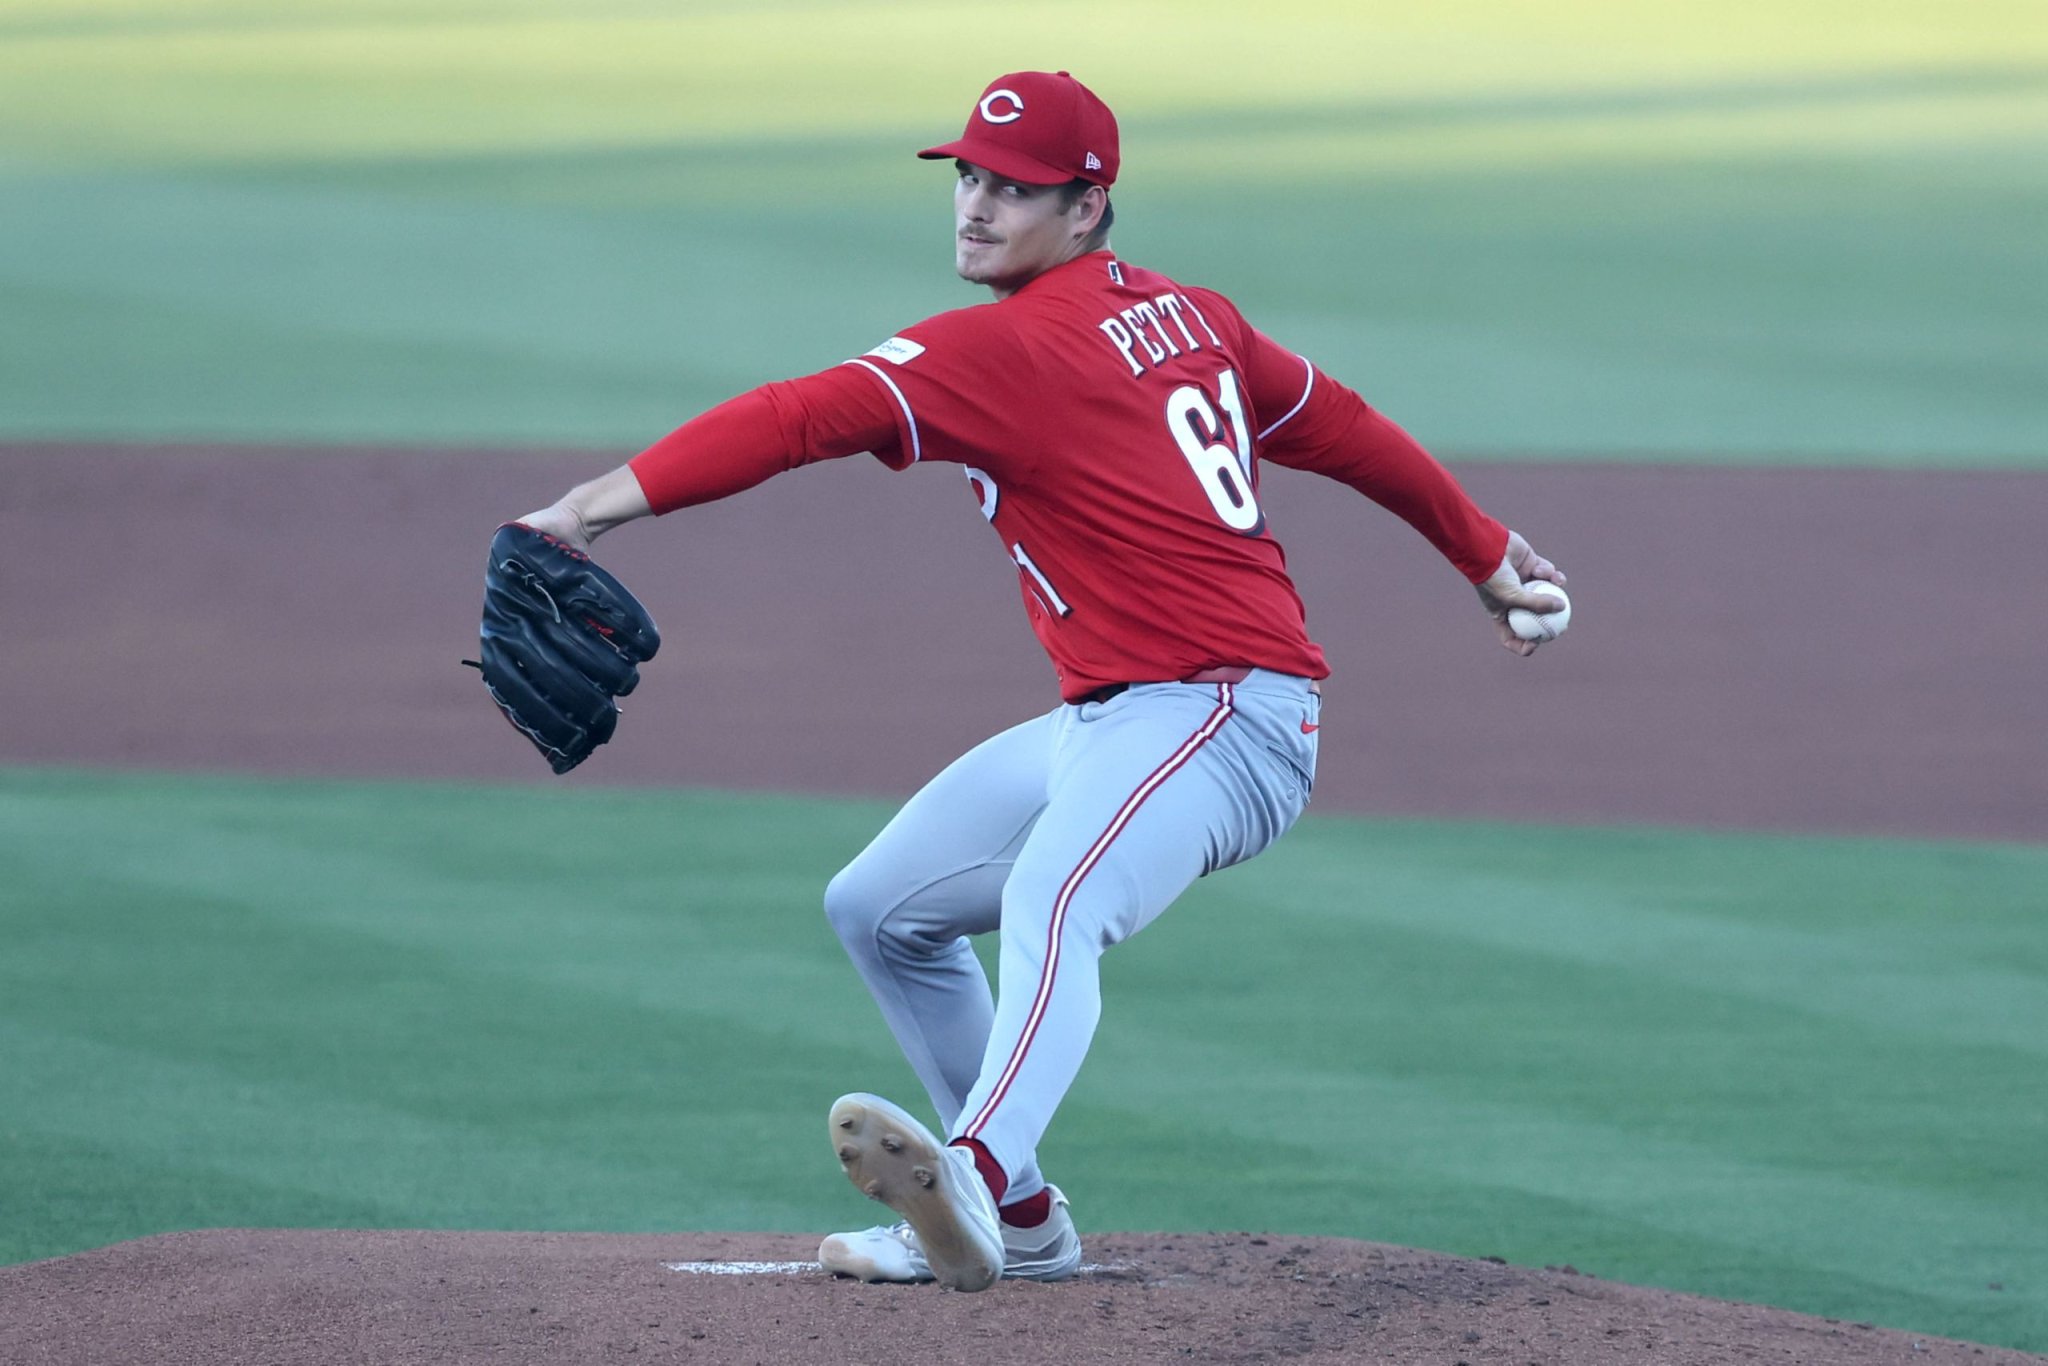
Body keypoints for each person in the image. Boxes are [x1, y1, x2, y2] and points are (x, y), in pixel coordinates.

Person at [514, 69, 1566, 1293]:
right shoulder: (1189, 315)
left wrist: (587, 509)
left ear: (1086, 205)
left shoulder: (1006, 347)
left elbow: (798, 416)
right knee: (878, 907)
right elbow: (1342, 424)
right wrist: (1483, 554)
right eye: (967, 175)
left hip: (1225, 715)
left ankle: (966, 1175)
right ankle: (1017, 1217)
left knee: (1054, 899)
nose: (975, 204)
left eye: (1013, 188)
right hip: (1118, 722)